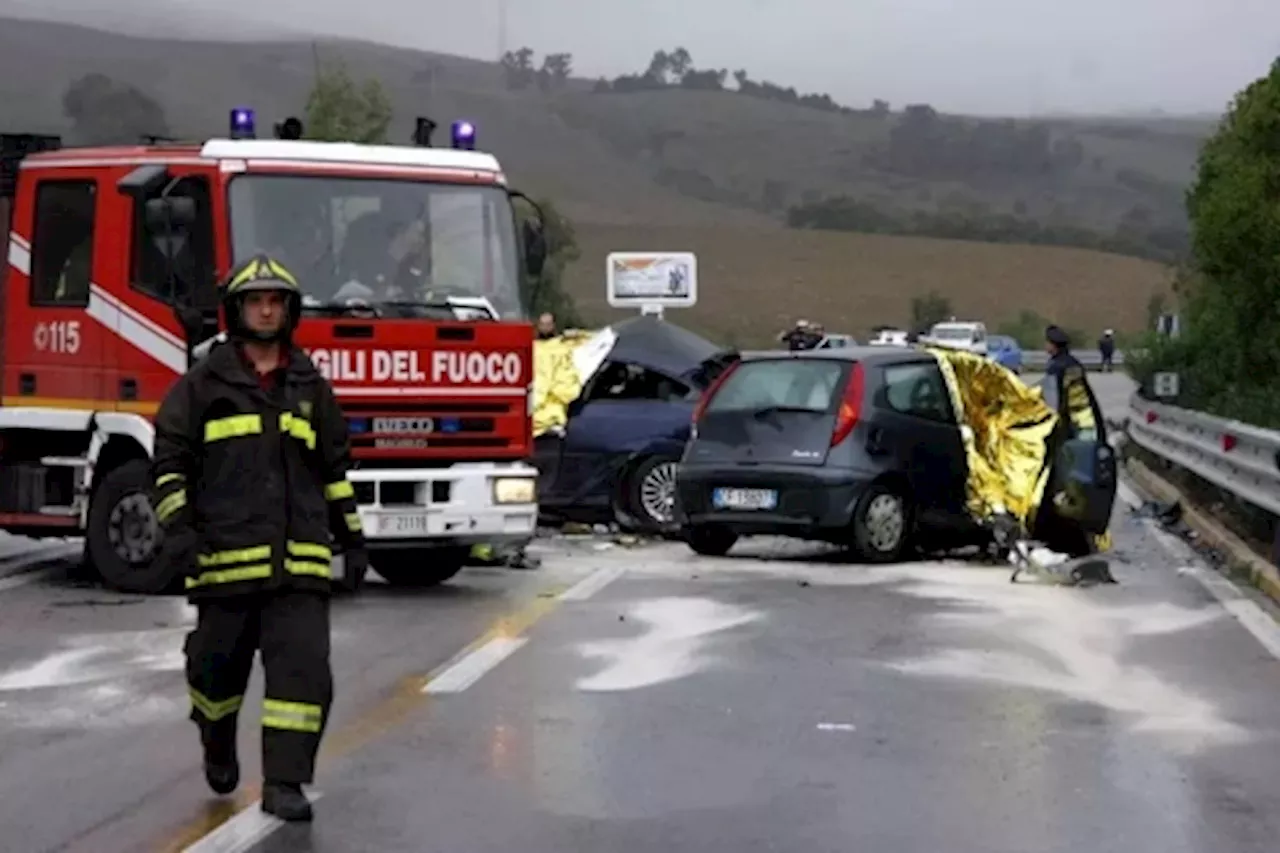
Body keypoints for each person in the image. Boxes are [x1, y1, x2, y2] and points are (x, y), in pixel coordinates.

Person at [150, 253, 369, 822]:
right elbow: (170, 464)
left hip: (298, 567)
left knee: (303, 675)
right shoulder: (201, 386)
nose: (266, 310)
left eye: (276, 301)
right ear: (237, 310)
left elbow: (332, 471)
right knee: (214, 674)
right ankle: (216, 738)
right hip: (223, 563)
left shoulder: (310, 386)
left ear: (290, 311)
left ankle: (285, 782)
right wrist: (180, 531)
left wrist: (353, 537)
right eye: (256, 301)